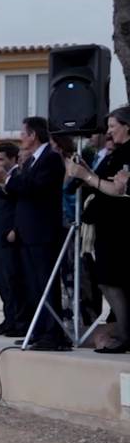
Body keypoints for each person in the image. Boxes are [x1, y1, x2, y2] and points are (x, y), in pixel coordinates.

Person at [0, 116, 70, 350]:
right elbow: (21, 195)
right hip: (27, 233)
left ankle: (53, 334)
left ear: (33, 135)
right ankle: (37, 330)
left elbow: (34, 189)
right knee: (32, 286)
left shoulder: (51, 160)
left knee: (45, 284)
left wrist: (6, 179)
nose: (20, 138)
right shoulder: (30, 162)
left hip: (43, 232)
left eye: (23, 133)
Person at [65, 106, 130, 353]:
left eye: (114, 126)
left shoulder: (126, 154)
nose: (110, 132)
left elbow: (118, 189)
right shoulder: (114, 154)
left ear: (127, 126)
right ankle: (123, 332)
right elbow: (100, 181)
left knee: (112, 281)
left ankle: (124, 335)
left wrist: (87, 176)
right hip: (106, 228)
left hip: (120, 229)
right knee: (108, 281)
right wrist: (84, 171)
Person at [0, 143, 27, 337]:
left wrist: (15, 229)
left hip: (11, 235)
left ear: (13, 159)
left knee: (13, 279)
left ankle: (19, 321)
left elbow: (21, 203)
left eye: (1, 159)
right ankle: (9, 318)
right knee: (2, 281)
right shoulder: (1, 180)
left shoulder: (18, 176)